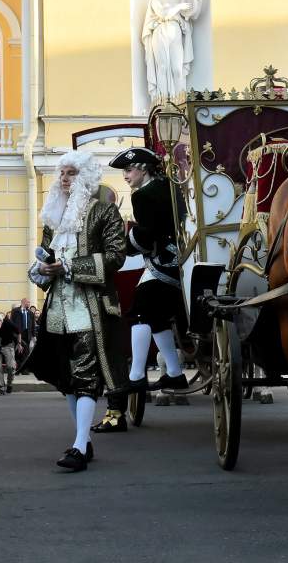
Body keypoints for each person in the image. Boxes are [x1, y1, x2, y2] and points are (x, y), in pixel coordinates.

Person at [20, 150, 127, 471]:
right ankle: (84, 439)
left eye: (71, 173)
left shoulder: (104, 212)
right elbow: (47, 257)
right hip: (58, 310)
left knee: (85, 375)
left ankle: (80, 444)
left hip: (88, 306)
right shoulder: (55, 218)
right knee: (67, 376)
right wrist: (42, 268)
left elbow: (116, 256)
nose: (64, 179)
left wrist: (67, 267)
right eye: (62, 173)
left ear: (86, 178)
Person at [104, 147, 187, 408]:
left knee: (141, 308)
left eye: (128, 170)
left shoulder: (143, 196)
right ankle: (173, 373)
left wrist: (125, 243)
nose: (126, 176)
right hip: (182, 258)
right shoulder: (170, 186)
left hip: (164, 263)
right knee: (154, 315)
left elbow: (146, 235)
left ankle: (137, 376)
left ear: (143, 168)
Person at [142, 0, 203, 104]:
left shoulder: (178, 0)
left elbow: (193, 14)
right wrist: (179, 7)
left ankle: (180, 104)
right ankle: (162, 104)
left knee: (177, 69)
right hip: (160, 33)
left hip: (175, 33)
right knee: (162, 67)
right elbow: (163, 14)